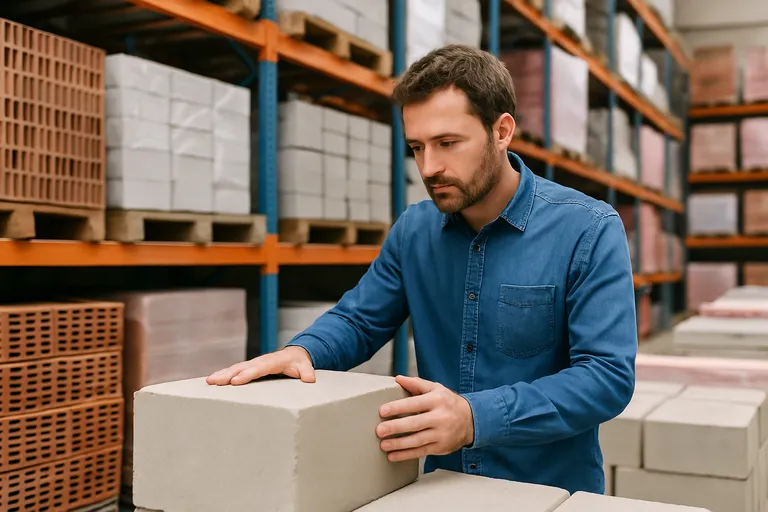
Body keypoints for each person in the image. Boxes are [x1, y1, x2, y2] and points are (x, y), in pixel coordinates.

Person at [207, 44, 637, 495]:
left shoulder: (588, 229)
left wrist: (475, 418)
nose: (430, 167)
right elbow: (359, 319)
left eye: (448, 143)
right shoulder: (414, 230)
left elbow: (606, 376)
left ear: (502, 131)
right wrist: (305, 352)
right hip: (441, 487)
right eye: (417, 147)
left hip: (552, 493)